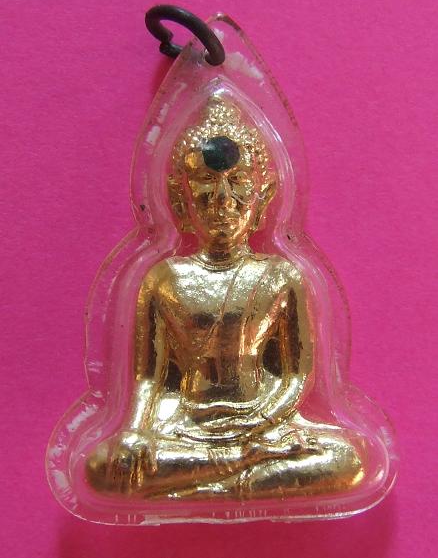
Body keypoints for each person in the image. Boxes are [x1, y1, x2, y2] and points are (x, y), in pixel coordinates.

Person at [86, 96, 365, 500]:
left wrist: (260, 422)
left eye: (238, 184)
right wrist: (135, 430)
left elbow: (295, 377)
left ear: (263, 197)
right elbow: (150, 379)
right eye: (206, 186)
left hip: (264, 424)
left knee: (346, 458)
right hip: (186, 428)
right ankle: (240, 472)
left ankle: (206, 481)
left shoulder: (281, 276)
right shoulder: (164, 278)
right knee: (104, 465)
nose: (223, 201)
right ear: (180, 201)